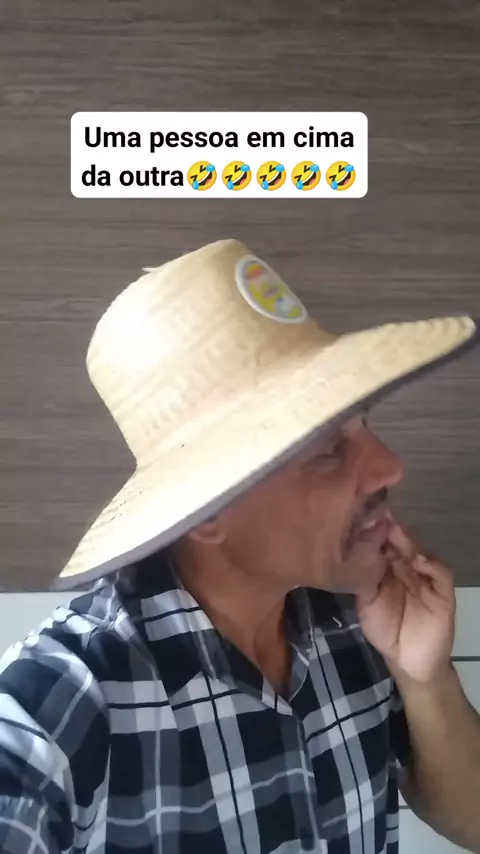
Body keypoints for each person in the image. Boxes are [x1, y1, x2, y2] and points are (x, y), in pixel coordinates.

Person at [0, 238, 479, 854]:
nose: (390, 467)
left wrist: (423, 678)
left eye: (366, 425)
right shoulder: (63, 696)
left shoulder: (360, 622)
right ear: (205, 513)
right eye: (329, 450)